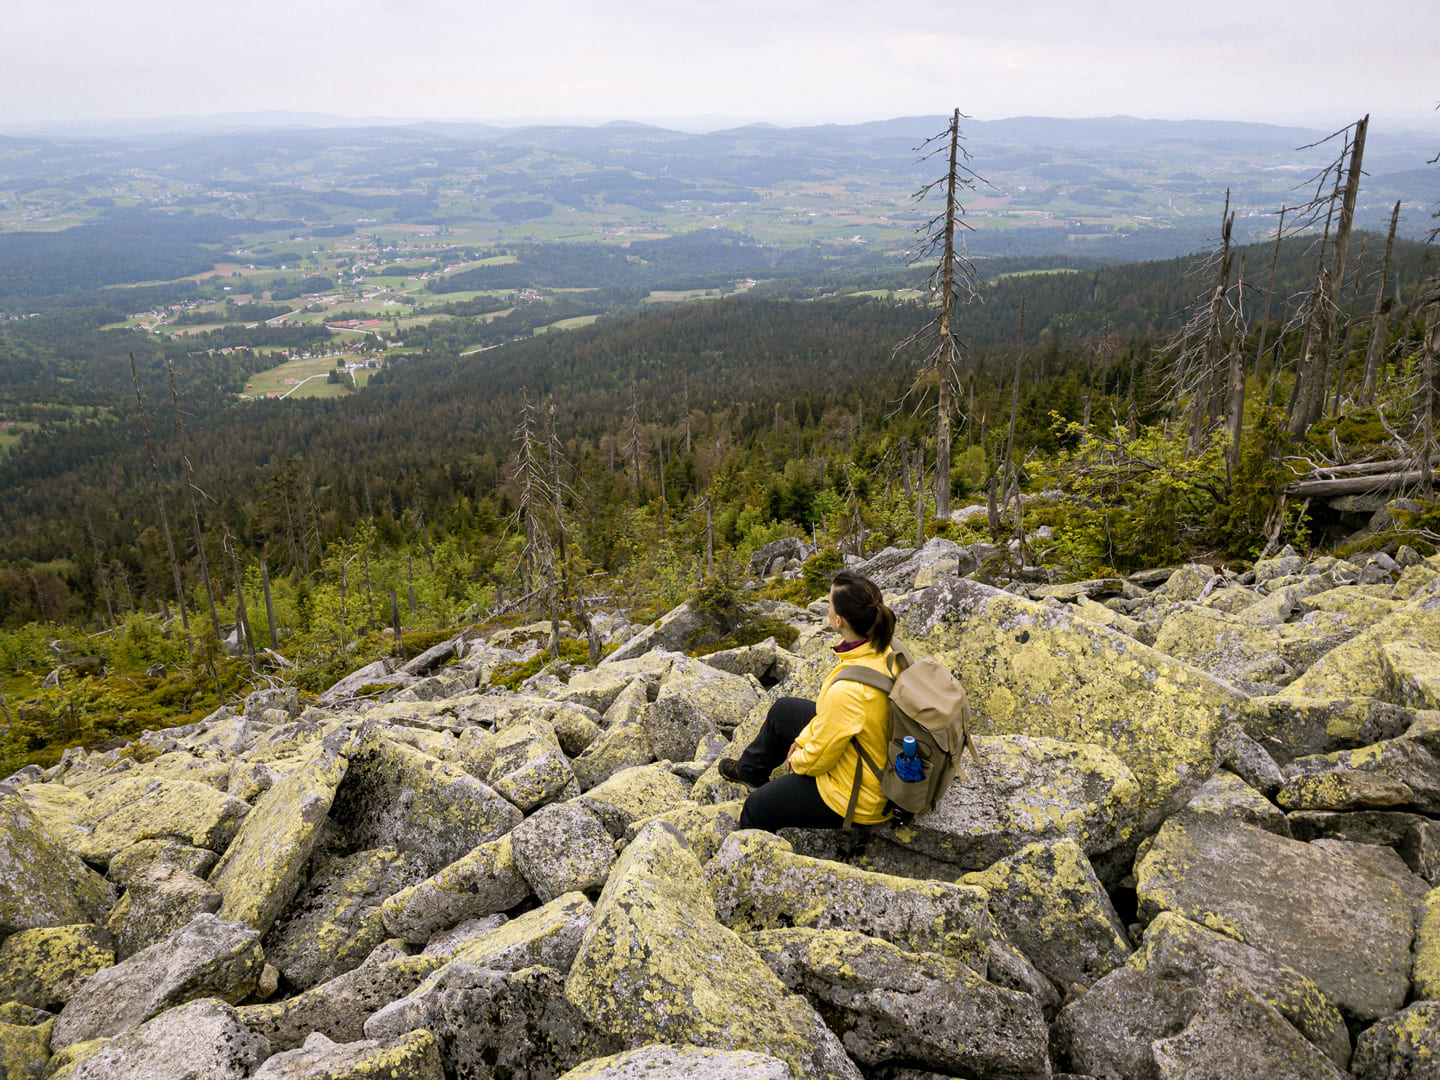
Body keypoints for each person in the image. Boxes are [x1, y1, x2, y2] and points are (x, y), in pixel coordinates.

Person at [718, 569, 896, 831]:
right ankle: (750, 773)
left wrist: (796, 758)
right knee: (783, 710)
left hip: (860, 794)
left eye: (830, 604)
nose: (828, 610)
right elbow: (835, 720)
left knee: (756, 807)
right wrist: (802, 738)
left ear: (839, 621)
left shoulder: (849, 690)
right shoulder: (884, 648)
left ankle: (748, 854)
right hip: (872, 748)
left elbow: (818, 760)